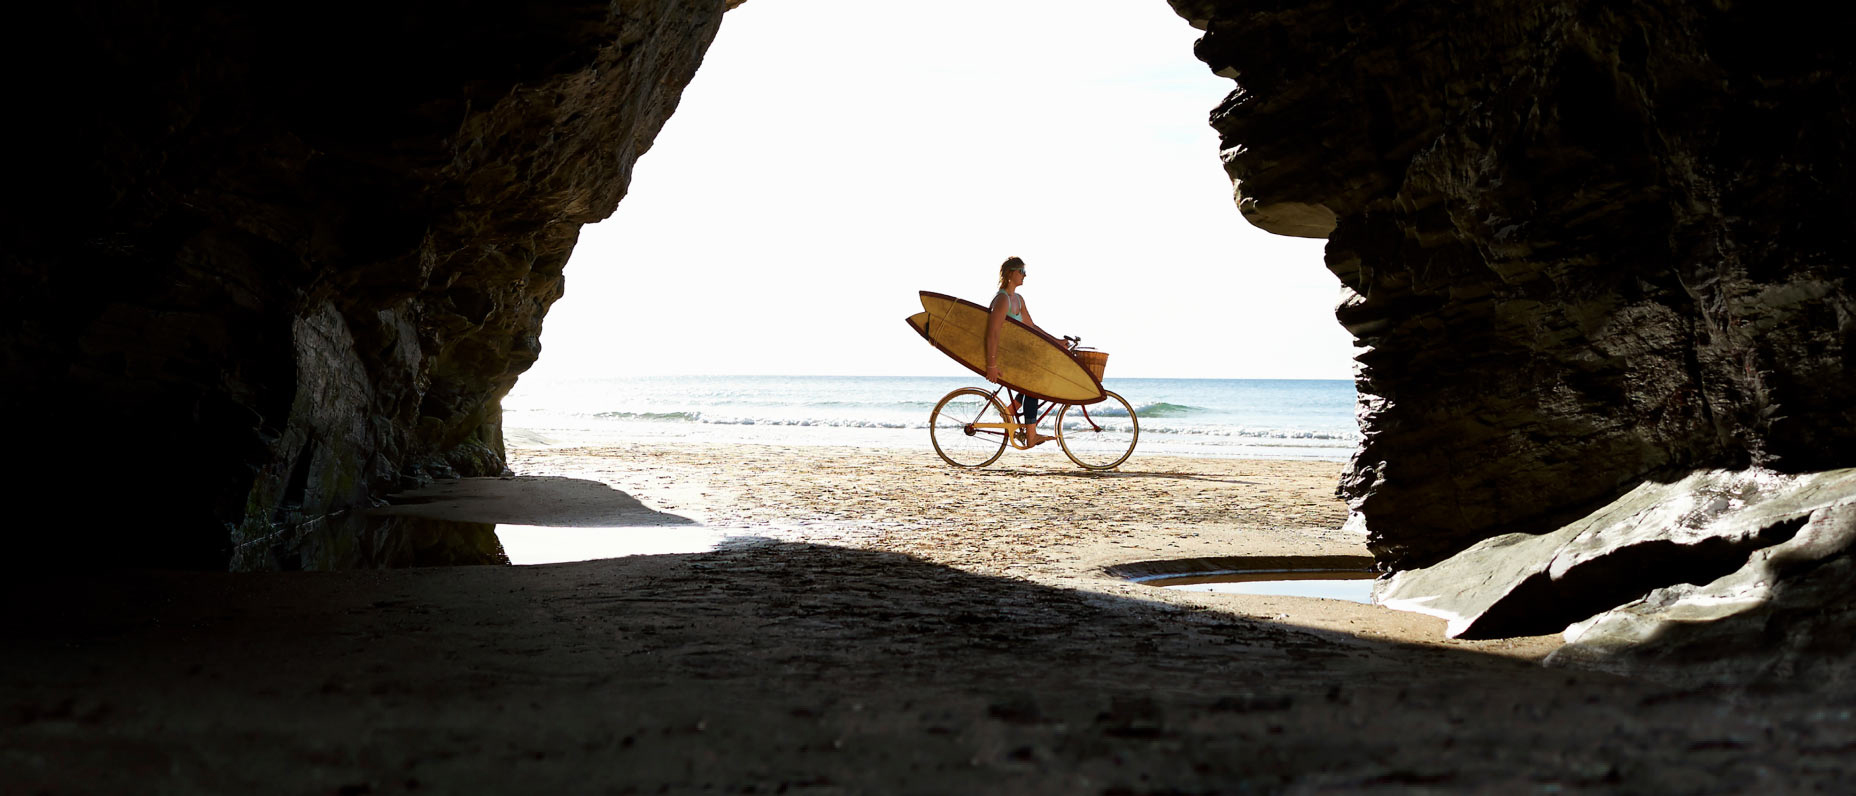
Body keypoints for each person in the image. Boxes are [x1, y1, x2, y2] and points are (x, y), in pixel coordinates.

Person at [983, 256, 1057, 447]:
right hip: (1006, 358)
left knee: (1038, 374)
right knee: (1033, 386)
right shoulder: (1002, 300)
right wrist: (991, 365)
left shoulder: (1018, 299)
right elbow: (992, 333)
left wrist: (1056, 341)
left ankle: (1011, 409)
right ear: (1010, 274)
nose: (1025, 275)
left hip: (1019, 356)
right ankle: (1031, 436)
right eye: (1021, 271)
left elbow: (1031, 326)